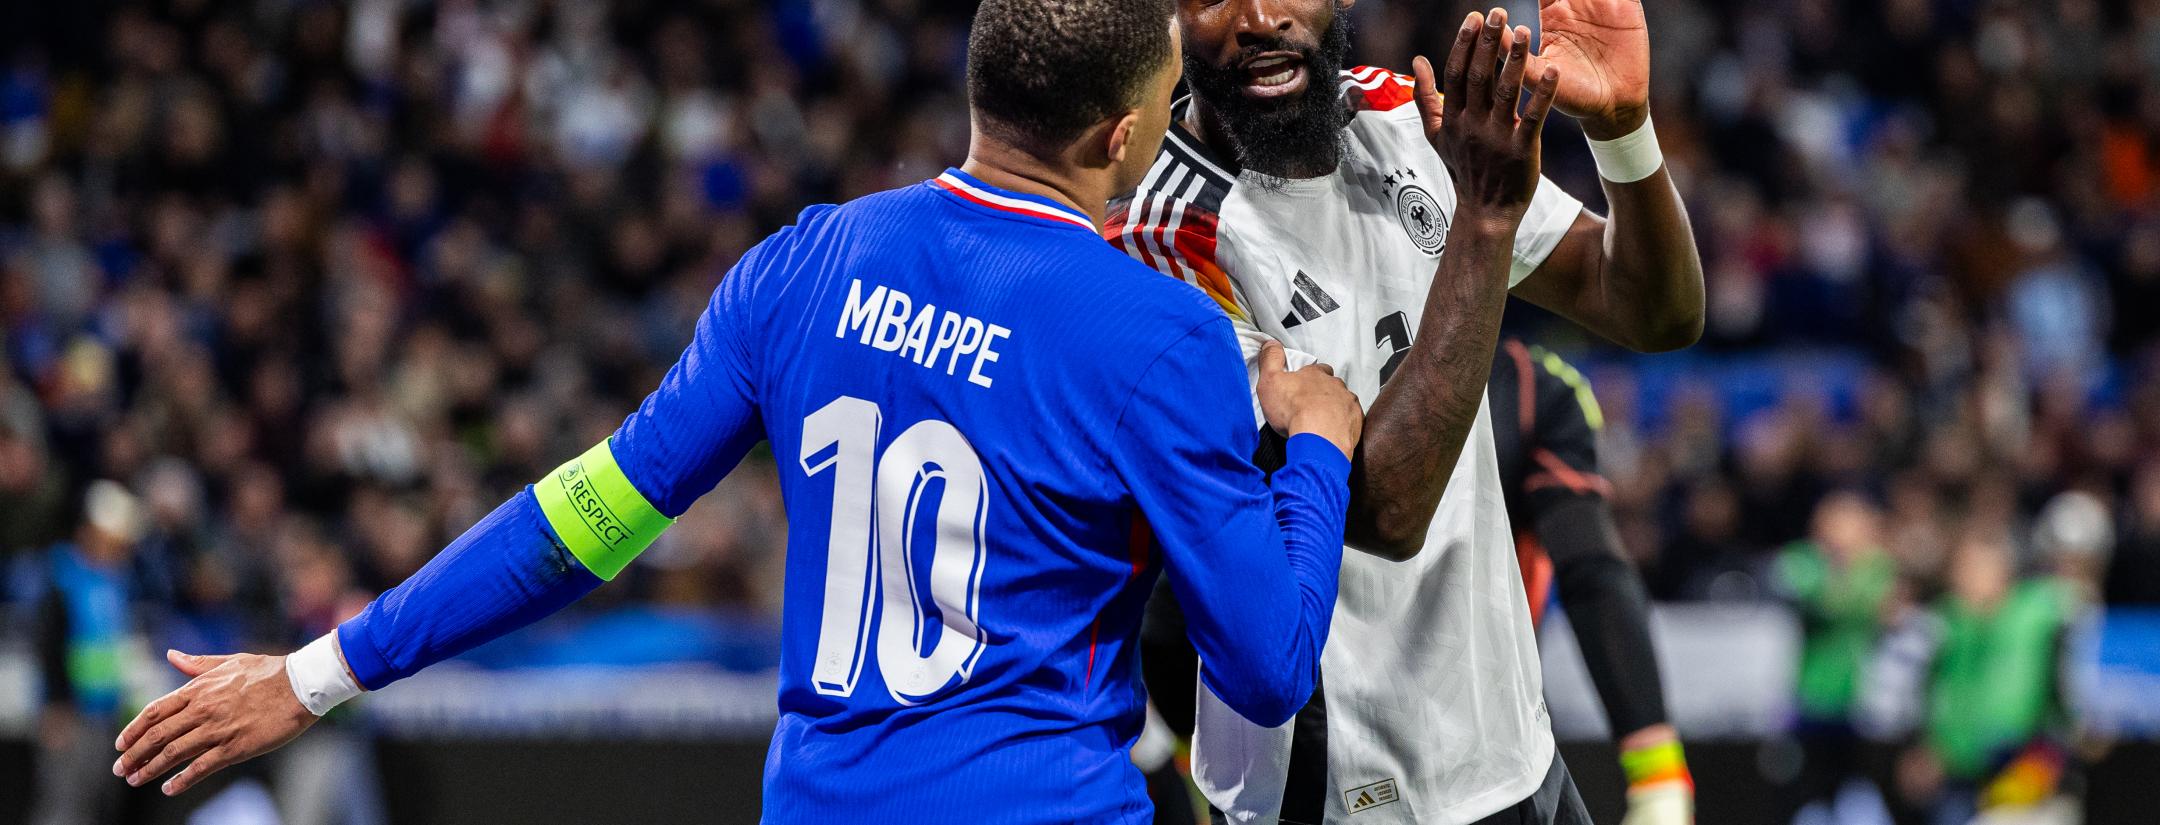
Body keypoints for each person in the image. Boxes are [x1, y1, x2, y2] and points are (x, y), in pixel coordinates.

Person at [106, 0, 1370, 820]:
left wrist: (318, 673)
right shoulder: (1162, 337)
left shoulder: (800, 265)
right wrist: (1315, 446)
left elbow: (583, 522)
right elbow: (1263, 666)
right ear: (1125, 131)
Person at [1113, 0, 1703, 821]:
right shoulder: (1159, 244)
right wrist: (1485, 220)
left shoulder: (1400, 116)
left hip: (1519, 757)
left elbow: (1652, 309)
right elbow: (1386, 512)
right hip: (1339, 793)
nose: (1257, 18)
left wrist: (1624, 131)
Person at [1489, 339, 1691, 824]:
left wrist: (1658, 775)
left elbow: (1591, 570)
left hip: (1496, 731)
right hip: (1332, 720)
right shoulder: (1300, 378)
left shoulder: (1529, 387)